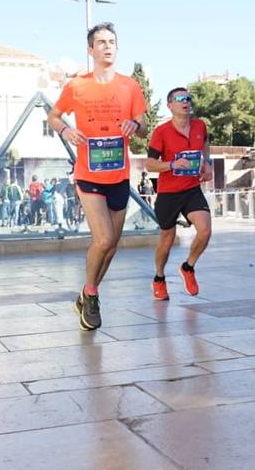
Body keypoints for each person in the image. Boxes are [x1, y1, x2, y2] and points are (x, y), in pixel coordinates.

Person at [47, 22, 147, 331]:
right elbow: (53, 115)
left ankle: (88, 292)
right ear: (90, 50)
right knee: (102, 238)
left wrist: (134, 125)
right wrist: (65, 129)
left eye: (112, 41)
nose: (107, 46)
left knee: (112, 244)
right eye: (101, 42)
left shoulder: (130, 86)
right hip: (88, 175)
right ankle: (90, 294)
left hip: (119, 175)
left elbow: (143, 122)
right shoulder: (77, 86)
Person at [145, 87, 214, 300]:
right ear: (170, 105)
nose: (185, 102)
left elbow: (205, 144)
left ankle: (188, 267)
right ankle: (159, 278)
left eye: (188, 98)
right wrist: (173, 164)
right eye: (180, 99)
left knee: (205, 230)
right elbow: (150, 164)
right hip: (168, 192)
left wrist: (207, 164)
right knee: (167, 239)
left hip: (192, 189)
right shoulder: (161, 132)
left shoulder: (200, 125)